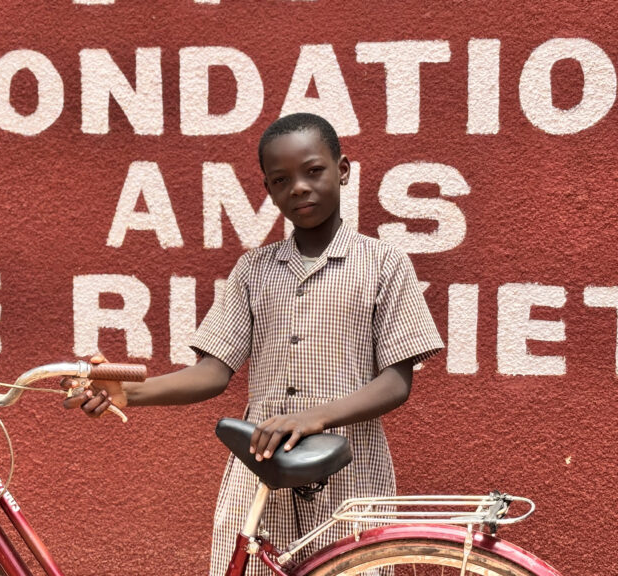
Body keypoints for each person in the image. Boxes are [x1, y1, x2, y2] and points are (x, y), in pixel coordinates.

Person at [64, 113, 444, 576]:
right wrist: (133, 392)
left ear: (343, 169)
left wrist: (316, 416)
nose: (299, 187)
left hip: (349, 470)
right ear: (268, 190)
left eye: (313, 170)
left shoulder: (383, 264)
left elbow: (396, 382)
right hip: (261, 469)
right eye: (281, 180)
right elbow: (213, 371)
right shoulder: (253, 271)